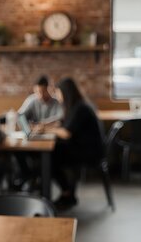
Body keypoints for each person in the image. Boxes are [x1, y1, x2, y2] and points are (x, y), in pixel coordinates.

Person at [44, 77, 104, 210]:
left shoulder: (80, 108)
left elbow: (66, 133)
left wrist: (46, 129)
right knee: (53, 153)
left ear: (65, 92)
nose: (56, 95)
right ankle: (67, 194)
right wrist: (48, 125)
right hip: (83, 148)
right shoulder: (77, 105)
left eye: (58, 92)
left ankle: (67, 194)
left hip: (90, 153)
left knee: (50, 158)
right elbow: (63, 122)